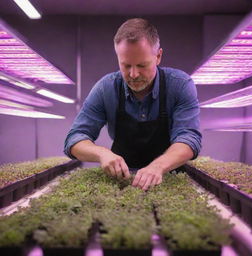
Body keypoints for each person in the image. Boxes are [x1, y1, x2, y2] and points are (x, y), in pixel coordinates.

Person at [64, 18, 202, 191]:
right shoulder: (105, 88)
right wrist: (102, 153)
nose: (134, 74)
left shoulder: (180, 85)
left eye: (142, 65)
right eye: (126, 65)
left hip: (169, 178)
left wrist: (158, 167)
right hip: (122, 181)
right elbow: (74, 139)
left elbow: (189, 139)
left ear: (158, 56)